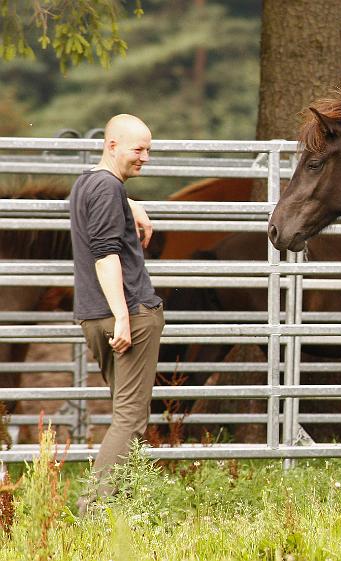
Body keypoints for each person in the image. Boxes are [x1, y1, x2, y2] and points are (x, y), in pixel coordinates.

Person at [69, 114, 164, 514]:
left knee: (127, 416)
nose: (144, 158)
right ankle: (93, 511)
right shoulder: (108, 188)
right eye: (137, 149)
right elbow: (106, 254)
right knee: (130, 418)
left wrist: (131, 202)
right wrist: (124, 316)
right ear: (112, 145)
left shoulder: (87, 184)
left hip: (93, 317)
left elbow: (102, 202)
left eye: (148, 150)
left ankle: (123, 509)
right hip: (129, 315)